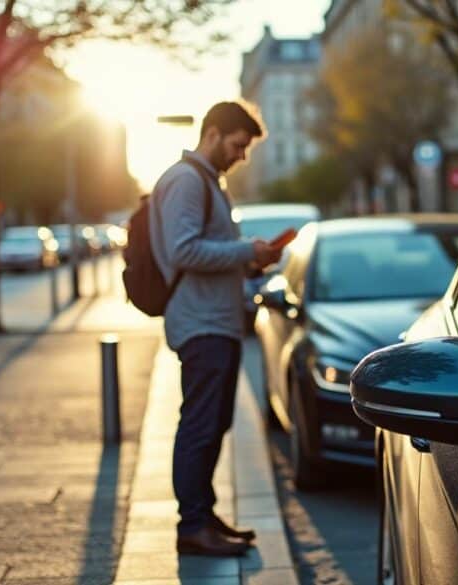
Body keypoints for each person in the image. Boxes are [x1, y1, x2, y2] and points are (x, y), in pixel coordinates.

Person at [149, 101, 282, 557]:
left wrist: (251, 262)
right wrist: (246, 251)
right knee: (200, 426)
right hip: (201, 324)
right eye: (238, 145)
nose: (242, 156)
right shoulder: (186, 181)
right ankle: (192, 526)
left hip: (216, 321)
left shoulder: (207, 183)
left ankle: (204, 516)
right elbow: (184, 251)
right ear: (213, 134)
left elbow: (211, 253)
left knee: (213, 423)